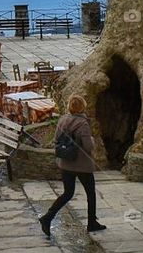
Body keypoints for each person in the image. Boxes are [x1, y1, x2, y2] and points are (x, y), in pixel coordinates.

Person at [40, 95, 106, 235]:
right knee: (90, 193)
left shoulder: (63, 120)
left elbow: (57, 139)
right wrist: (93, 140)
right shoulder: (83, 124)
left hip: (66, 163)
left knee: (67, 193)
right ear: (83, 107)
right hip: (81, 164)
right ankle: (91, 222)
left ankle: (48, 217)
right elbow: (88, 146)